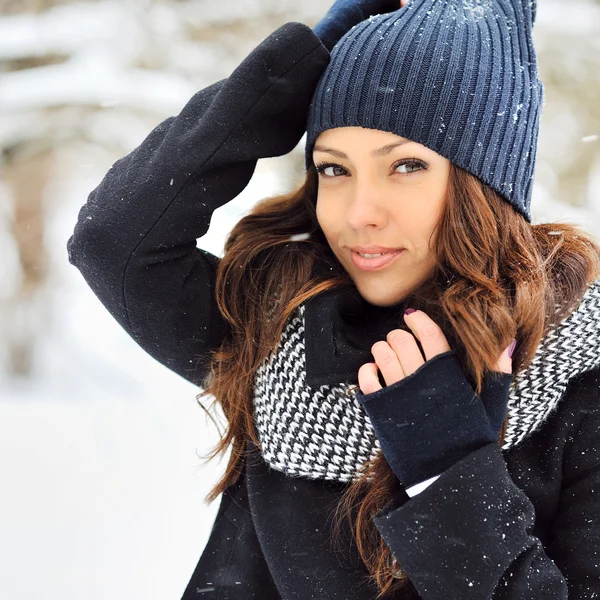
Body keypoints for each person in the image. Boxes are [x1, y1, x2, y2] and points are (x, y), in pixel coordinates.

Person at [67, 0, 600, 598]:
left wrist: (448, 472)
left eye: (405, 165)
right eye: (334, 169)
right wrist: (307, 62)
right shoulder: (278, 334)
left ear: (487, 181)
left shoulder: (580, 379)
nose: (358, 215)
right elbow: (114, 238)